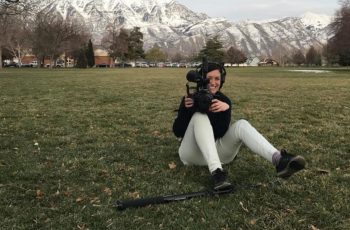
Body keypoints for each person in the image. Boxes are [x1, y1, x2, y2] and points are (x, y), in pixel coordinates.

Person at [172, 62, 306, 190]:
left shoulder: (223, 101)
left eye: (217, 78)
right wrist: (185, 110)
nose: (213, 82)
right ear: (200, 79)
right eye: (209, 78)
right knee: (199, 117)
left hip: (219, 154)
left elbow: (221, 133)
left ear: (222, 80)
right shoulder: (190, 99)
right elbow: (178, 132)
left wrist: (225, 110)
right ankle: (217, 174)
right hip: (191, 154)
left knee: (241, 124)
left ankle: (279, 160)